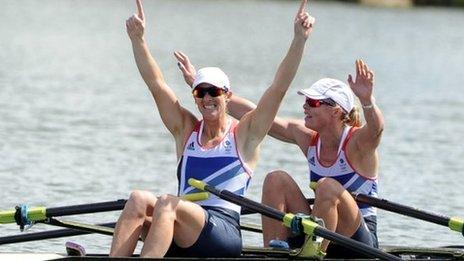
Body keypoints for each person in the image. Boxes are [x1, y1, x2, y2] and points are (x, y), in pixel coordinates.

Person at [109, 0, 315, 258]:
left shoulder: (245, 134)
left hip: (223, 232)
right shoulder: (185, 130)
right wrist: (138, 40)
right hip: (181, 227)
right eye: (201, 92)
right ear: (194, 96)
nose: (207, 98)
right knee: (138, 199)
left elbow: (278, 87)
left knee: (166, 203)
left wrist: (299, 39)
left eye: (214, 91)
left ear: (227, 96)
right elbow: (156, 84)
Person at [176, 51, 383, 258]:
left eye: (313, 103)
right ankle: (274, 252)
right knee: (276, 179)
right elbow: (259, 114)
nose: (304, 106)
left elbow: (377, 129)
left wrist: (367, 101)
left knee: (327, 186)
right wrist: (207, 92)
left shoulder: (358, 143)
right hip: (322, 231)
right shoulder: (307, 138)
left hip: (357, 240)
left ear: (336, 111)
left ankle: (313, 251)